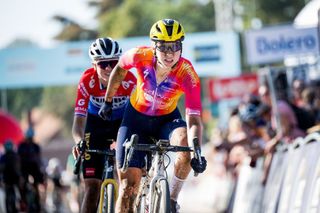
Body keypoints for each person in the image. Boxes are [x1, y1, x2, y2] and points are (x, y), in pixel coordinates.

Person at [99, 19, 207, 213]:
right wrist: (108, 100)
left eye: (175, 46)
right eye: (164, 47)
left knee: (185, 144)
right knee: (128, 189)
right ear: (153, 46)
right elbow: (120, 69)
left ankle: (172, 199)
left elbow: (194, 119)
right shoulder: (140, 56)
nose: (169, 53)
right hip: (135, 119)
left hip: (167, 119)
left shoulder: (187, 74)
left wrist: (197, 150)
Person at [72, 37, 136, 213]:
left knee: (127, 183)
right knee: (92, 189)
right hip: (95, 126)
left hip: (121, 124)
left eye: (113, 62)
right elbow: (78, 122)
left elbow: (137, 116)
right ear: (94, 66)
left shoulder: (129, 80)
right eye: (103, 64)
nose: (108, 68)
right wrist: (78, 141)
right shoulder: (87, 82)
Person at [17, 127, 46, 212]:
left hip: (34, 169)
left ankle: (37, 204)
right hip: (24, 169)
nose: (30, 139)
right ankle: (23, 202)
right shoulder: (21, 146)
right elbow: (19, 159)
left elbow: (38, 159)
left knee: (37, 184)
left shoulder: (35, 146)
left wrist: (41, 172)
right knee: (22, 184)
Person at [0, 140, 21, 213]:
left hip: (8, 180)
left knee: (9, 195)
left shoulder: (4, 157)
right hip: (13, 179)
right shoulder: (16, 156)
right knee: (14, 194)